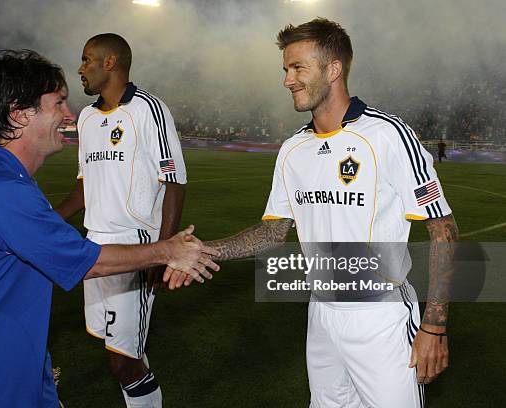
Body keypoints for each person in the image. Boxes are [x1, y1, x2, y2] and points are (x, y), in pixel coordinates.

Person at [0, 50, 218, 408]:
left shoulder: (5, 179)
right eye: (58, 103)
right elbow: (87, 262)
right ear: (20, 113)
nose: (69, 115)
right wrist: (169, 250)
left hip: (12, 370)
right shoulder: (0, 189)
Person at [172, 18, 458, 408]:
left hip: (381, 319)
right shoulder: (293, 150)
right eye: (285, 70)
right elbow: (272, 232)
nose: (287, 80)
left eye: (297, 68)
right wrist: (204, 251)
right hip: (321, 313)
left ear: (333, 69)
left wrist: (435, 326)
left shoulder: (387, 135)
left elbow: (443, 229)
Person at [56, 33, 187, 408]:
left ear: (109, 62)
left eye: (86, 60)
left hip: (135, 246)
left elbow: (175, 182)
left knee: (123, 359)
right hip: (93, 249)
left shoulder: (148, 109)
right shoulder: (86, 117)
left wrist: (162, 253)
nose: (80, 69)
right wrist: (45, 223)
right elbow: (84, 187)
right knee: (118, 346)